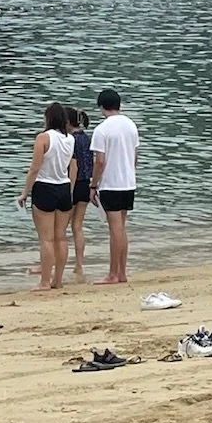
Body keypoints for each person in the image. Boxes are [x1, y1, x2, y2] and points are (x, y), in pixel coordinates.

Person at [19, 101, 78, 292]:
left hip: (45, 186)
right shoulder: (70, 139)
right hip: (63, 187)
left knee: (46, 238)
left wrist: (25, 193)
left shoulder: (43, 138)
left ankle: (44, 281)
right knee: (61, 237)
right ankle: (58, 279)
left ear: (48, 118)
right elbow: (71, 166)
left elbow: (35, 168)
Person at [90, 89, 140, 285]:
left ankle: (113, 273)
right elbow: (135, 156)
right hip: (128, 182)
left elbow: (99, 161)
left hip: (111, 183)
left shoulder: (102, 130)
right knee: (121, 228)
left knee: (114, 229)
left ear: (102, 106)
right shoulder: (131, 125)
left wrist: (93, 184)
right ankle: (122, 272)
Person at [66, 105, 93, 283]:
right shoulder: (88, 139)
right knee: (78, 226)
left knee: (60, 228)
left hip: (73, 183)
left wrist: (69, 190)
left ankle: (51, 263)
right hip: (86, 184)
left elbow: (73, 166)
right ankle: (79, 264)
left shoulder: (69, 139)